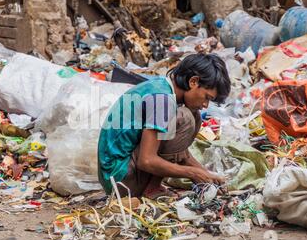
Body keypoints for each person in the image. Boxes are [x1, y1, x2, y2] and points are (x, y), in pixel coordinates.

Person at [98, 53, 231, 199]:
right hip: (120, 181)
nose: (206, 105)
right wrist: (192, 173)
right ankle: (151, 189)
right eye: (207, 97)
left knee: (194, 116)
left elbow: (182, 154)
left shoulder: (163, 89)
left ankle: (152, 186)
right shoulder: (162, 100)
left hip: (120, 173)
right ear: (193, 82)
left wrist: (207, 176)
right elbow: (146, 160)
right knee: (186, 118)